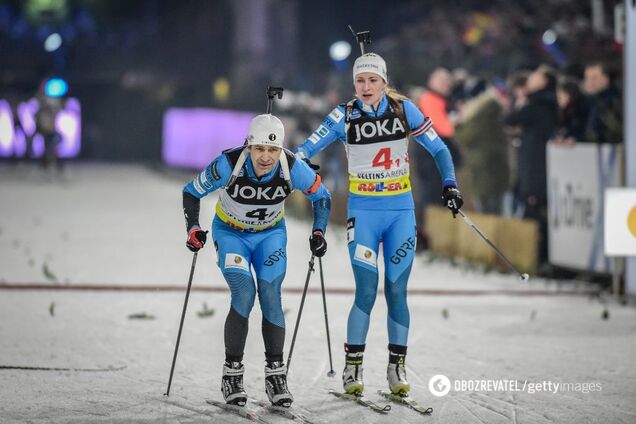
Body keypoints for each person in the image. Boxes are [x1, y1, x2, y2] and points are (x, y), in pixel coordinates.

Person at [295, 53, 462, 397]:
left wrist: (450, 183)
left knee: (397, 292)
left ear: (384, 82)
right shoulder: (344, 115)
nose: (366, 87)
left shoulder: (404, 110)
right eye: (360, 81)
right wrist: (303, 165)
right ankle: (353, 366)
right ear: (353, 84)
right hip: (364, 214)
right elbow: (304, 149)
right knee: (367, 291)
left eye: (373, 80)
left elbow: (440, 150)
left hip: (401, 212)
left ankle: (395, 367)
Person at [182, 113, 331, 407]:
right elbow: (191, 192)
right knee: (244, 291)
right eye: (259, 149)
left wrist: (318, 231)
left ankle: (276, 375)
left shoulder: (291, 166)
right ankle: (232, 374)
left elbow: (322, 197)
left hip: (270, 235)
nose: (266, 157)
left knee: (271, 295)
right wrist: (194, 228)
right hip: (231, 234)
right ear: (248, 145)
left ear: (282, 149)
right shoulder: (229, 163)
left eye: (273, 150)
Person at [504, 65, 558, 268]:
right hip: (537, 165)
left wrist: (521, 100)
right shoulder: (547, 103)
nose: (530, 79)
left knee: (534, 212)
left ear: (544, 82)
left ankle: (537, 259)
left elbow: (510, 119)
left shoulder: (538, 104)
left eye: (535, 76)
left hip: (535, 167)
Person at [414, 67, 461, 249]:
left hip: (433, 158)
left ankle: (429, 238)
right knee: (430, 198)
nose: (446, 85)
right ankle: (424, 239)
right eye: (442, 82)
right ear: (432, 82)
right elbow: (444, 128)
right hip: (429, 159)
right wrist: (457, 120)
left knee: (434, 198)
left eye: (448, 82)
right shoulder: (430, 99)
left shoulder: (441, 100)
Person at [582, 62, 622, 144]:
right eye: (587, 78)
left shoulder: (615, 102)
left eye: (594, 78)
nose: (589, 82)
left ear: (606, 79)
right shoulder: (587, 101)